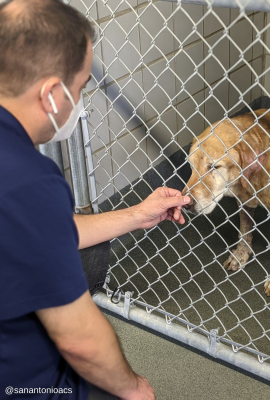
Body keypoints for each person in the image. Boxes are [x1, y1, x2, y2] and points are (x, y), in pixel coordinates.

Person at [0, 1, 190, 399]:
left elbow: (41, 232)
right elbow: (80, 342)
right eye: (81, 86)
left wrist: (138, 213)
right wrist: (134, 388)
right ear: (52, 95)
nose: (80, 101)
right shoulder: (28, 179)